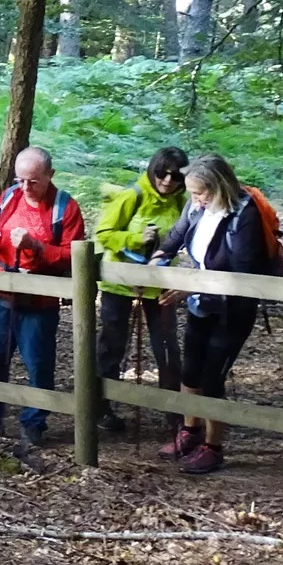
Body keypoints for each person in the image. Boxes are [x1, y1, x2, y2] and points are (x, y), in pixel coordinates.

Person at [149, 154, 269, 475]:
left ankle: (213, 448)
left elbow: (241, 274)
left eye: (200, 193)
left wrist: (189, 288)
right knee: (190, 372)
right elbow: (175, 237)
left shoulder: (245, 217)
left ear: (219, 188)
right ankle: (190, 431)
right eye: (191, 193)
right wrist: (158, 260)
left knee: (212, 378)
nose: (195, 200)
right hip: (201, 304)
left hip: (232, 310)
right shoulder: (195, 207)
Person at [0, 146, 86, 447]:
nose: (25, 187)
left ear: (50, 175)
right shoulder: (9, 197)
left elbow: (73, 256)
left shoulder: (66, 208)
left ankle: (34, 423)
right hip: (2, 292)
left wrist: (36, 246)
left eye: (33, 181)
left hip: (40, 300)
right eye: (20, 180)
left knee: (38, 364)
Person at [92, 147, 189, 433]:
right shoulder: (131, 196)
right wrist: (136, 238)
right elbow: (103, 234)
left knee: (167, 349)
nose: (168, 181)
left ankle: (176, 415)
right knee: (112, 346)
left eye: (175, 176)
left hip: (160, 287)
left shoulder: (183, 202)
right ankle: (102, 407)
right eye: (163, 173)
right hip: (120, 284)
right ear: (153, 170)